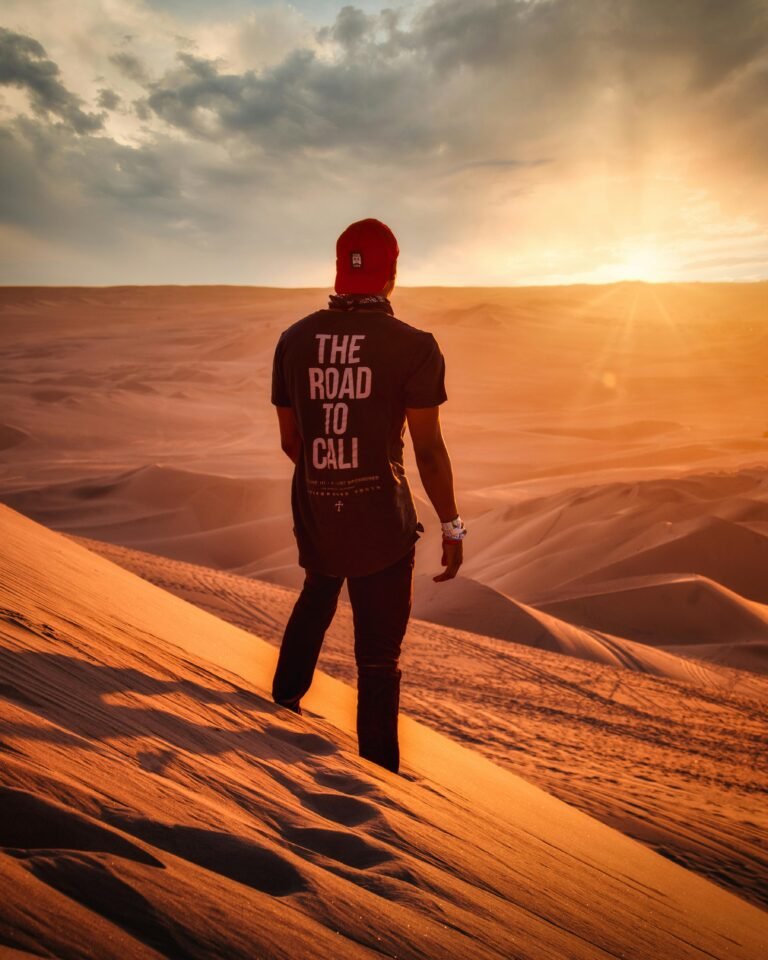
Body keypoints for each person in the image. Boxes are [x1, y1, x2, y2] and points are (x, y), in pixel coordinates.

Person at [270, 218, 466, 773]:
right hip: (382, 519)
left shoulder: (294, 339)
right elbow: (428, 451)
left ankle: (283, 702)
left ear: (338, 267)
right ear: (393, 272)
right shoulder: (415, 347)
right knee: (378, 657)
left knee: (317, 593)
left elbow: (292, 441)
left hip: (316, 505)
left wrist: (330, 475)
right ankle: (380, 780)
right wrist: (452, 527)